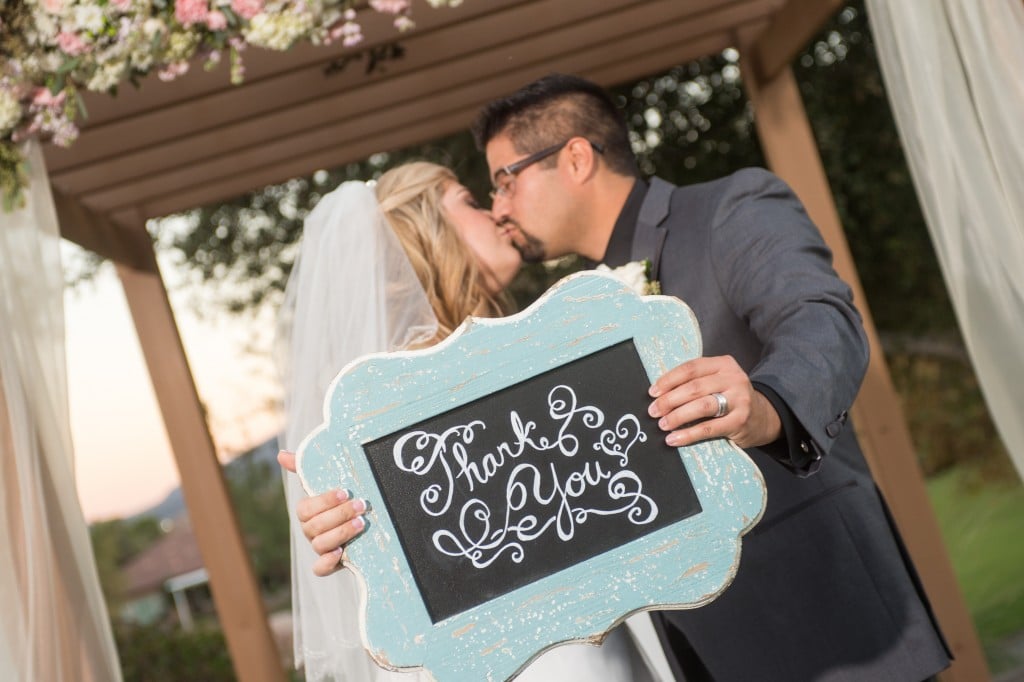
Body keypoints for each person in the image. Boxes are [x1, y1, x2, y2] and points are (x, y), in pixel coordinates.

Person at [469, 73, 953, 682]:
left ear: (575, 158)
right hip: (697, 651)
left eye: (505, 180)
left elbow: (820, 319)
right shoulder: (571, 310)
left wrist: (768, 403)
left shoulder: (730, 208)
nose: (499, 207)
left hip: (827, 618)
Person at [275, 161, 669, 681]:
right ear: (426, 226)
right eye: (469, 199)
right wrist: (344, 532)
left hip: (597, 628)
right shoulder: (392, 403)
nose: (494, 211)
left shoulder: (522, 352)